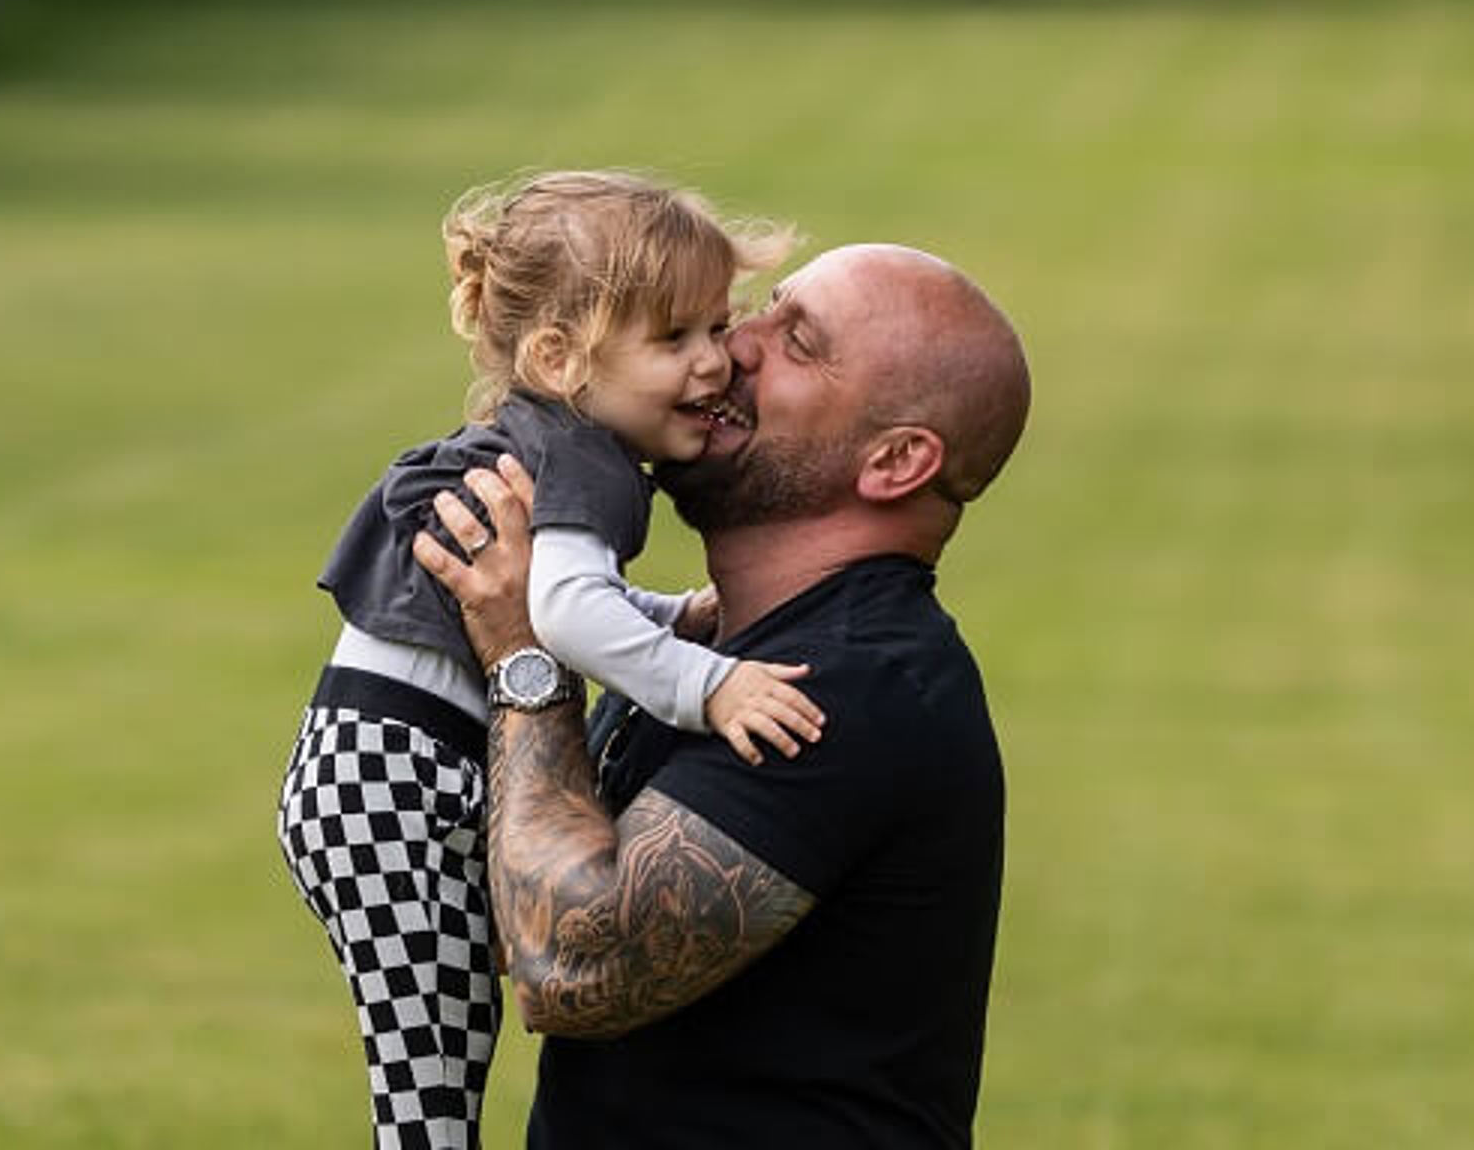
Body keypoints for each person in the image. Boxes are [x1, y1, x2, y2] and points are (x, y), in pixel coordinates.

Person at [415, 243, 1031, 1148]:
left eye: (799, 341)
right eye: (764, 310)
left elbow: (568, 966)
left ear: (896, 461)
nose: (735, 346)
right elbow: (522, 899)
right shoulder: (706, 652)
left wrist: (525, 660)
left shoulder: (845, 689)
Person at [274, 170, 825, 1150]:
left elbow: (555, 597)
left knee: (448, 1053)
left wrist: (675, 615)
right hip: (393, 785)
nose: (715, 364)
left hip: (375, 777)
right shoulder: (582, 459)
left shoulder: (558, 439)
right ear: (560, 356)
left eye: (715, 326)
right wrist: (711, 683)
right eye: (674, 339)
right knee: (430, 1092)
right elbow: (566, 615)